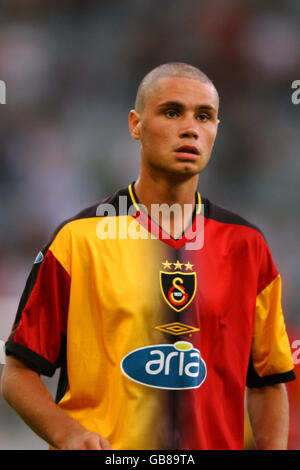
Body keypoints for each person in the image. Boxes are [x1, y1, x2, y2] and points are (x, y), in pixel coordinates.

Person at [1, 62, 296, 450]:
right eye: (172, 112)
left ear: (215, 132)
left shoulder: (247, 245)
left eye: (203, 116)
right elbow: (18, 374)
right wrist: (70, 435)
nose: (189, 127)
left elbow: (268, 381)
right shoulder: (79, 239)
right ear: (136, 125)